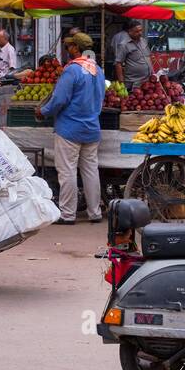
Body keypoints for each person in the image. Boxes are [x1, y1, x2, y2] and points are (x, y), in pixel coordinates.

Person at [39, 33, 105, 225]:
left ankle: (68, 214)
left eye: (69, 47)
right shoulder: (98, 70)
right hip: (91, 128)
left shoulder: (72, 71)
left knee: (67, 171)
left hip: (70, 129)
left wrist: (43, 111)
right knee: (91, 171)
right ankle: (95, 212)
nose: (67, 50)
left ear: (76, 48)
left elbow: (59, 100)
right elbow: (100, 99)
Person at [115, 20, 153, 93]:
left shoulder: (143, 41)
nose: (140, 33)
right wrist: (121, 81)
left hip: (147, 81)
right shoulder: (124, 45)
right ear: (129, 32)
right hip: (134, 83)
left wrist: (153, 73)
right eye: (137, 31)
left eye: (141, 30)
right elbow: (118, 63)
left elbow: (148, 57)